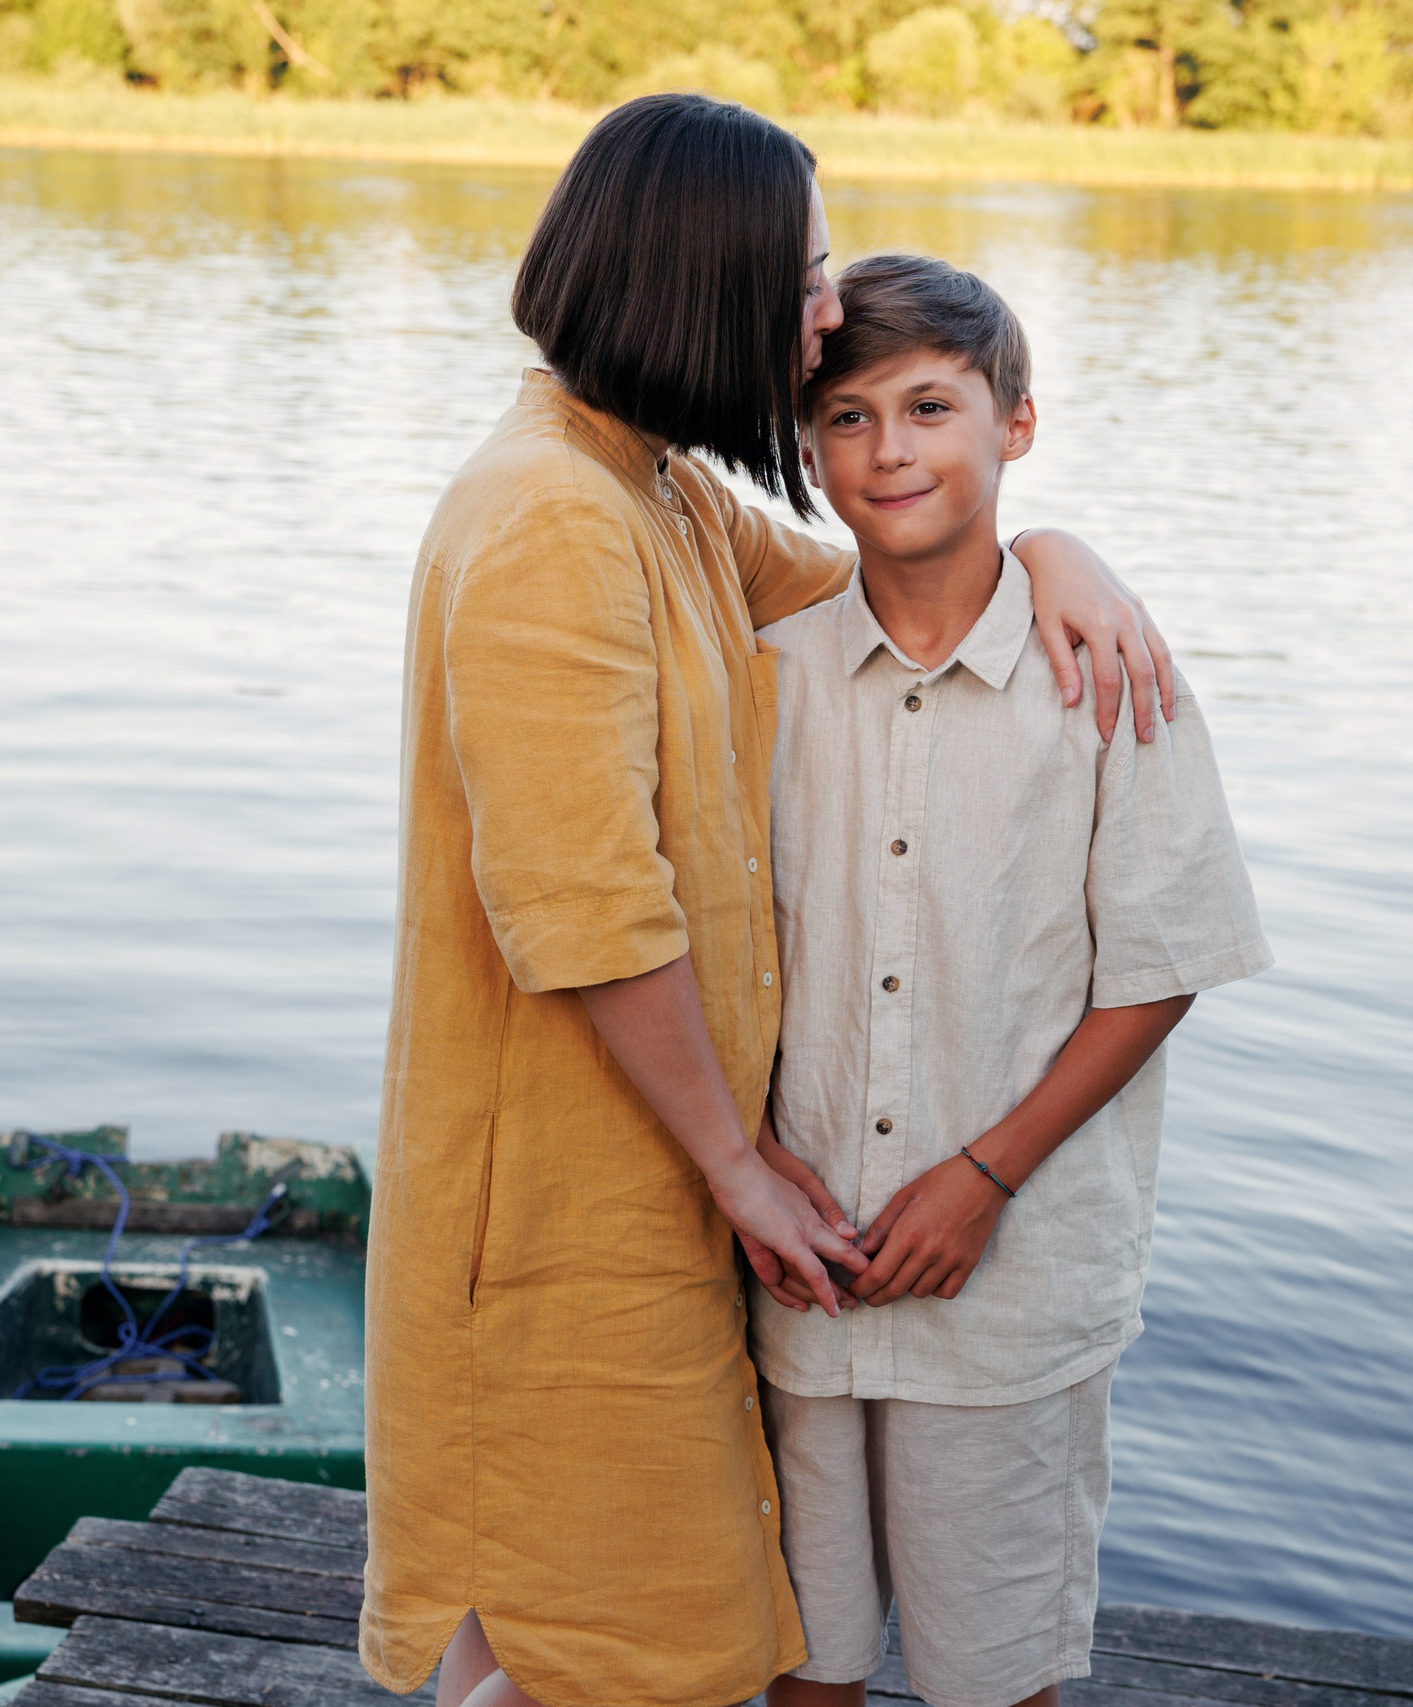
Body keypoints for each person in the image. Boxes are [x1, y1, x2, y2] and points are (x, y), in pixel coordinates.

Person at [361, 98, 1181, 1707]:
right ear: (706, 277)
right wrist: (739, 1166)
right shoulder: (549, 519)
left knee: (606, 1625)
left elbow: (883, 586)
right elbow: (583, 909)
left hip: (652, 1177)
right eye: (805, 277)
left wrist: (1063, 550)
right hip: (554, 1208)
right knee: (574, 1636)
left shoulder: (651, 493)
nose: (823, 316)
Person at [746, 253, 1274, 1707]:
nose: (891, 449)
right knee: (806, 1664)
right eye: (846, 418)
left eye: (929, 407)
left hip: (1012, 1289)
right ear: (804, 447)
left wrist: (985, 1175)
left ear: (1015, 426)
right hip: (807, 1275)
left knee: (1001, 1676)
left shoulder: (1106, 675)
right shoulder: (767, 676)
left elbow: (1158, 971)